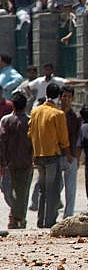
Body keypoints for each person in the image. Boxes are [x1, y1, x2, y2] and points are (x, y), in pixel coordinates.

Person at [28, 83, 72, 228]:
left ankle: (40, 220)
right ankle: (50, 221)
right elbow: (63, 138)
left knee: (42, 189)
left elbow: (30, 133)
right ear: (59, 96)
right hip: (52, 156)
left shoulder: (35, 111)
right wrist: (68, 154)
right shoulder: (58, 114)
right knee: (53, 189)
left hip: (38, 155)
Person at [0, 92, 33, 229]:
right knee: (16, 192)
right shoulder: (6, 120)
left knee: (18, 192)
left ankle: (17, 219)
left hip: (19, 163)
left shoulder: (30, 121)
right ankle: (17, 216)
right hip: (12, 163)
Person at [58, 86, 80, 218]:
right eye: (64, 96)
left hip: (71, 156)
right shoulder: (55, 114)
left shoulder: (75, 117)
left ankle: (68, 215)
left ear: (73, 98)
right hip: (56, 155)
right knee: (56, 186)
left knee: (71, 189)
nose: (66, 99)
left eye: (69, 97)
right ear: (60, 97)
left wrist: (76, 157)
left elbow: (78, 137)